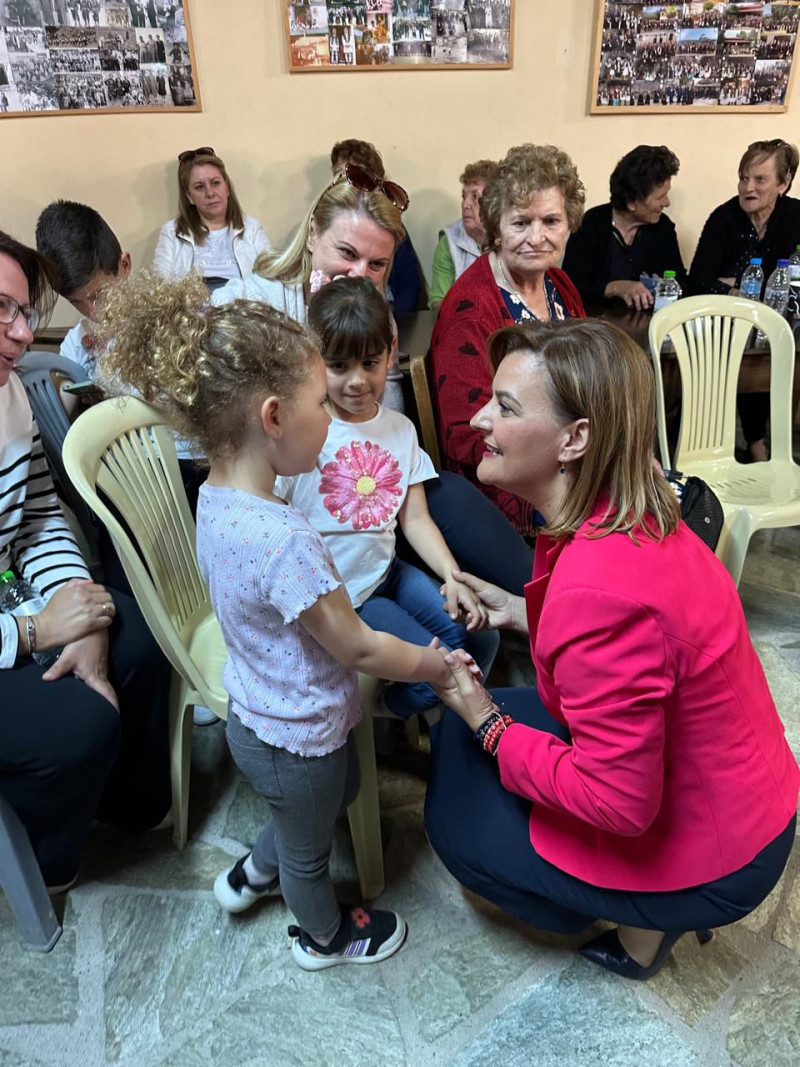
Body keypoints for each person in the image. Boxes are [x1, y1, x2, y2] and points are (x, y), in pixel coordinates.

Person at [95, 270, 466, 970]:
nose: (330, 418)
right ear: (272, 418)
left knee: (328, 799)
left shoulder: (216, 497)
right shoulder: (285, 539)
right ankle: (323, 936)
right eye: (319, 402)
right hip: (296, 736)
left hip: (262, 711)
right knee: (309, 851)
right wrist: (434, 664)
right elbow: (358, 646)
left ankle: (253, 871)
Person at [424, 318, 800, 981]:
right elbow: (641, 647)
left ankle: (640, 922)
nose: (480, 419)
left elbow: (619, 804)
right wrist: (519, 609)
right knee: (465, 737)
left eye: (505, 406)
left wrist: (489, 723)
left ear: (575, 439)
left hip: (724, 852)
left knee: (456, 821)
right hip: (745, 795)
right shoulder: (638, 506)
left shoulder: (600, 591)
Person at [0, 231, 171, 892]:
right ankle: (45, 860)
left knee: (140, 641)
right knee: (81, 723)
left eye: (25, 312)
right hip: (14, 621)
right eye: (3, 309)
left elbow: (38, 513)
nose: (22, 333)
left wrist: (83, 605)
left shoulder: (9, 393)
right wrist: (36, 631)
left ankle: (119, 804)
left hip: (13, 595)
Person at [276, 276, 499, 718]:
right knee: (446, 669)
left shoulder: (400, 429)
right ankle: (376, 711)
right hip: (348, 599)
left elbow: (415, 519)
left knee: (483, 639)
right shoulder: (303, 433)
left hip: (388, 572)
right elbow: (275, 514)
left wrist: (452, 575)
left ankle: (419, 713)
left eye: (369, 363)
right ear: (314, 362)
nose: (357, 381)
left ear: (390, 353)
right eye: (338, 366)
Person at [431, 143, 586, 535]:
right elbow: (464, 435)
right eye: (520, 223)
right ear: (495, 227)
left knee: (670, 502)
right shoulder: (469, 307)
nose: (537, 237)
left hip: (574, 462)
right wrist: (557, 479)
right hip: (506, 486)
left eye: (551, 221)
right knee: (627, 535)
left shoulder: (560, 285)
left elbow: (592, 381)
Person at [689, 138, 800, 462]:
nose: (748, 187)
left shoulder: (795, 217)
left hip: (781, 322)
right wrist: (738, 292)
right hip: (724, 324)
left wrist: (732, 282)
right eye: (743, 178)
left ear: (783, 184)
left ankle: (761, 445)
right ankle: (733, 446)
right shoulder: (723, 218)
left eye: (760, 179)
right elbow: (698, 278)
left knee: (777, 354)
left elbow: (792, 280)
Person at [562, 144, 687, 311]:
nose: (667, 203)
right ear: (631, 202)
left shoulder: (662, 228)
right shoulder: (591, 224)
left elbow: (682, 284)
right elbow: (570, 287)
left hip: (647, 323)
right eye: (660, 197)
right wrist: (614, 287)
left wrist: (663, 287)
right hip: (595, 322)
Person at [153, 147, 271, 290]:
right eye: (199, 187)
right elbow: (160, 289)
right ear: (189, 196)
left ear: (227, 187)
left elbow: (271, 281)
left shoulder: (252, 229)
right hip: (192, 303)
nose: (210, 193)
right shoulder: (172, 232)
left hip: (242, 302)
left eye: (215, 183)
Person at [330, 138, 426, 311]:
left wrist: (389, 319)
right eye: (339, 175)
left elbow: (410, 285)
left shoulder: (390, 228)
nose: (346, 183)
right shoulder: (326, 222)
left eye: (355, 176)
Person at [429, 158, 499, 311]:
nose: (465, 204)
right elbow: (438, 303)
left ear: (496, 202)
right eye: (464, 196)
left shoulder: (513, 238)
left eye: (475, 197)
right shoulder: (449, 242)